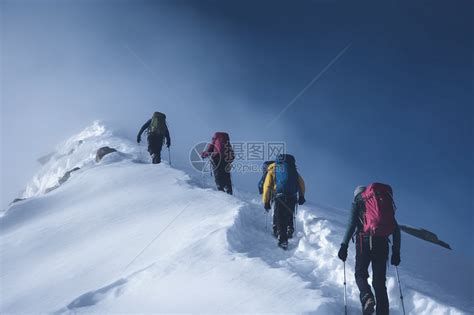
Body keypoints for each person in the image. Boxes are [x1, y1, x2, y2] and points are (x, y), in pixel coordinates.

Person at [338, 185, 401, 315]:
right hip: (382, 243)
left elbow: (351, 224)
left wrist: (344, 245)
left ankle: (367, 297)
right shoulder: (381, 202)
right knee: (379, 282)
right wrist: (396, 252)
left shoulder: (358, 202)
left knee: (360, 274)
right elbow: (396, 229)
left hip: (364, 241)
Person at [262, 154, 305, 249]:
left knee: (280, 216)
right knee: (289, 213)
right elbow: (302, 183)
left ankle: (283, 239)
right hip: (292, 196)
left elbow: (267, 186)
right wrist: (301, 196)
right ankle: (289, 228)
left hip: (280, 196)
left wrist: (266, 201)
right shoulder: (293, 170)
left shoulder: (273, 169)